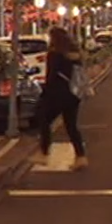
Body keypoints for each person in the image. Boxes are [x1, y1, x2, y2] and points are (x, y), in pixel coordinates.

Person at [30, 27, 88, 171]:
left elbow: (51, 76)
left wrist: (44, 93)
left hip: (57, 94)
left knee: (43, 118)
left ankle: (44, 153)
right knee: (71, 126)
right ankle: (81, 157)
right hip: (73, 94)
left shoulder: (54, 54)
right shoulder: (75, 55)